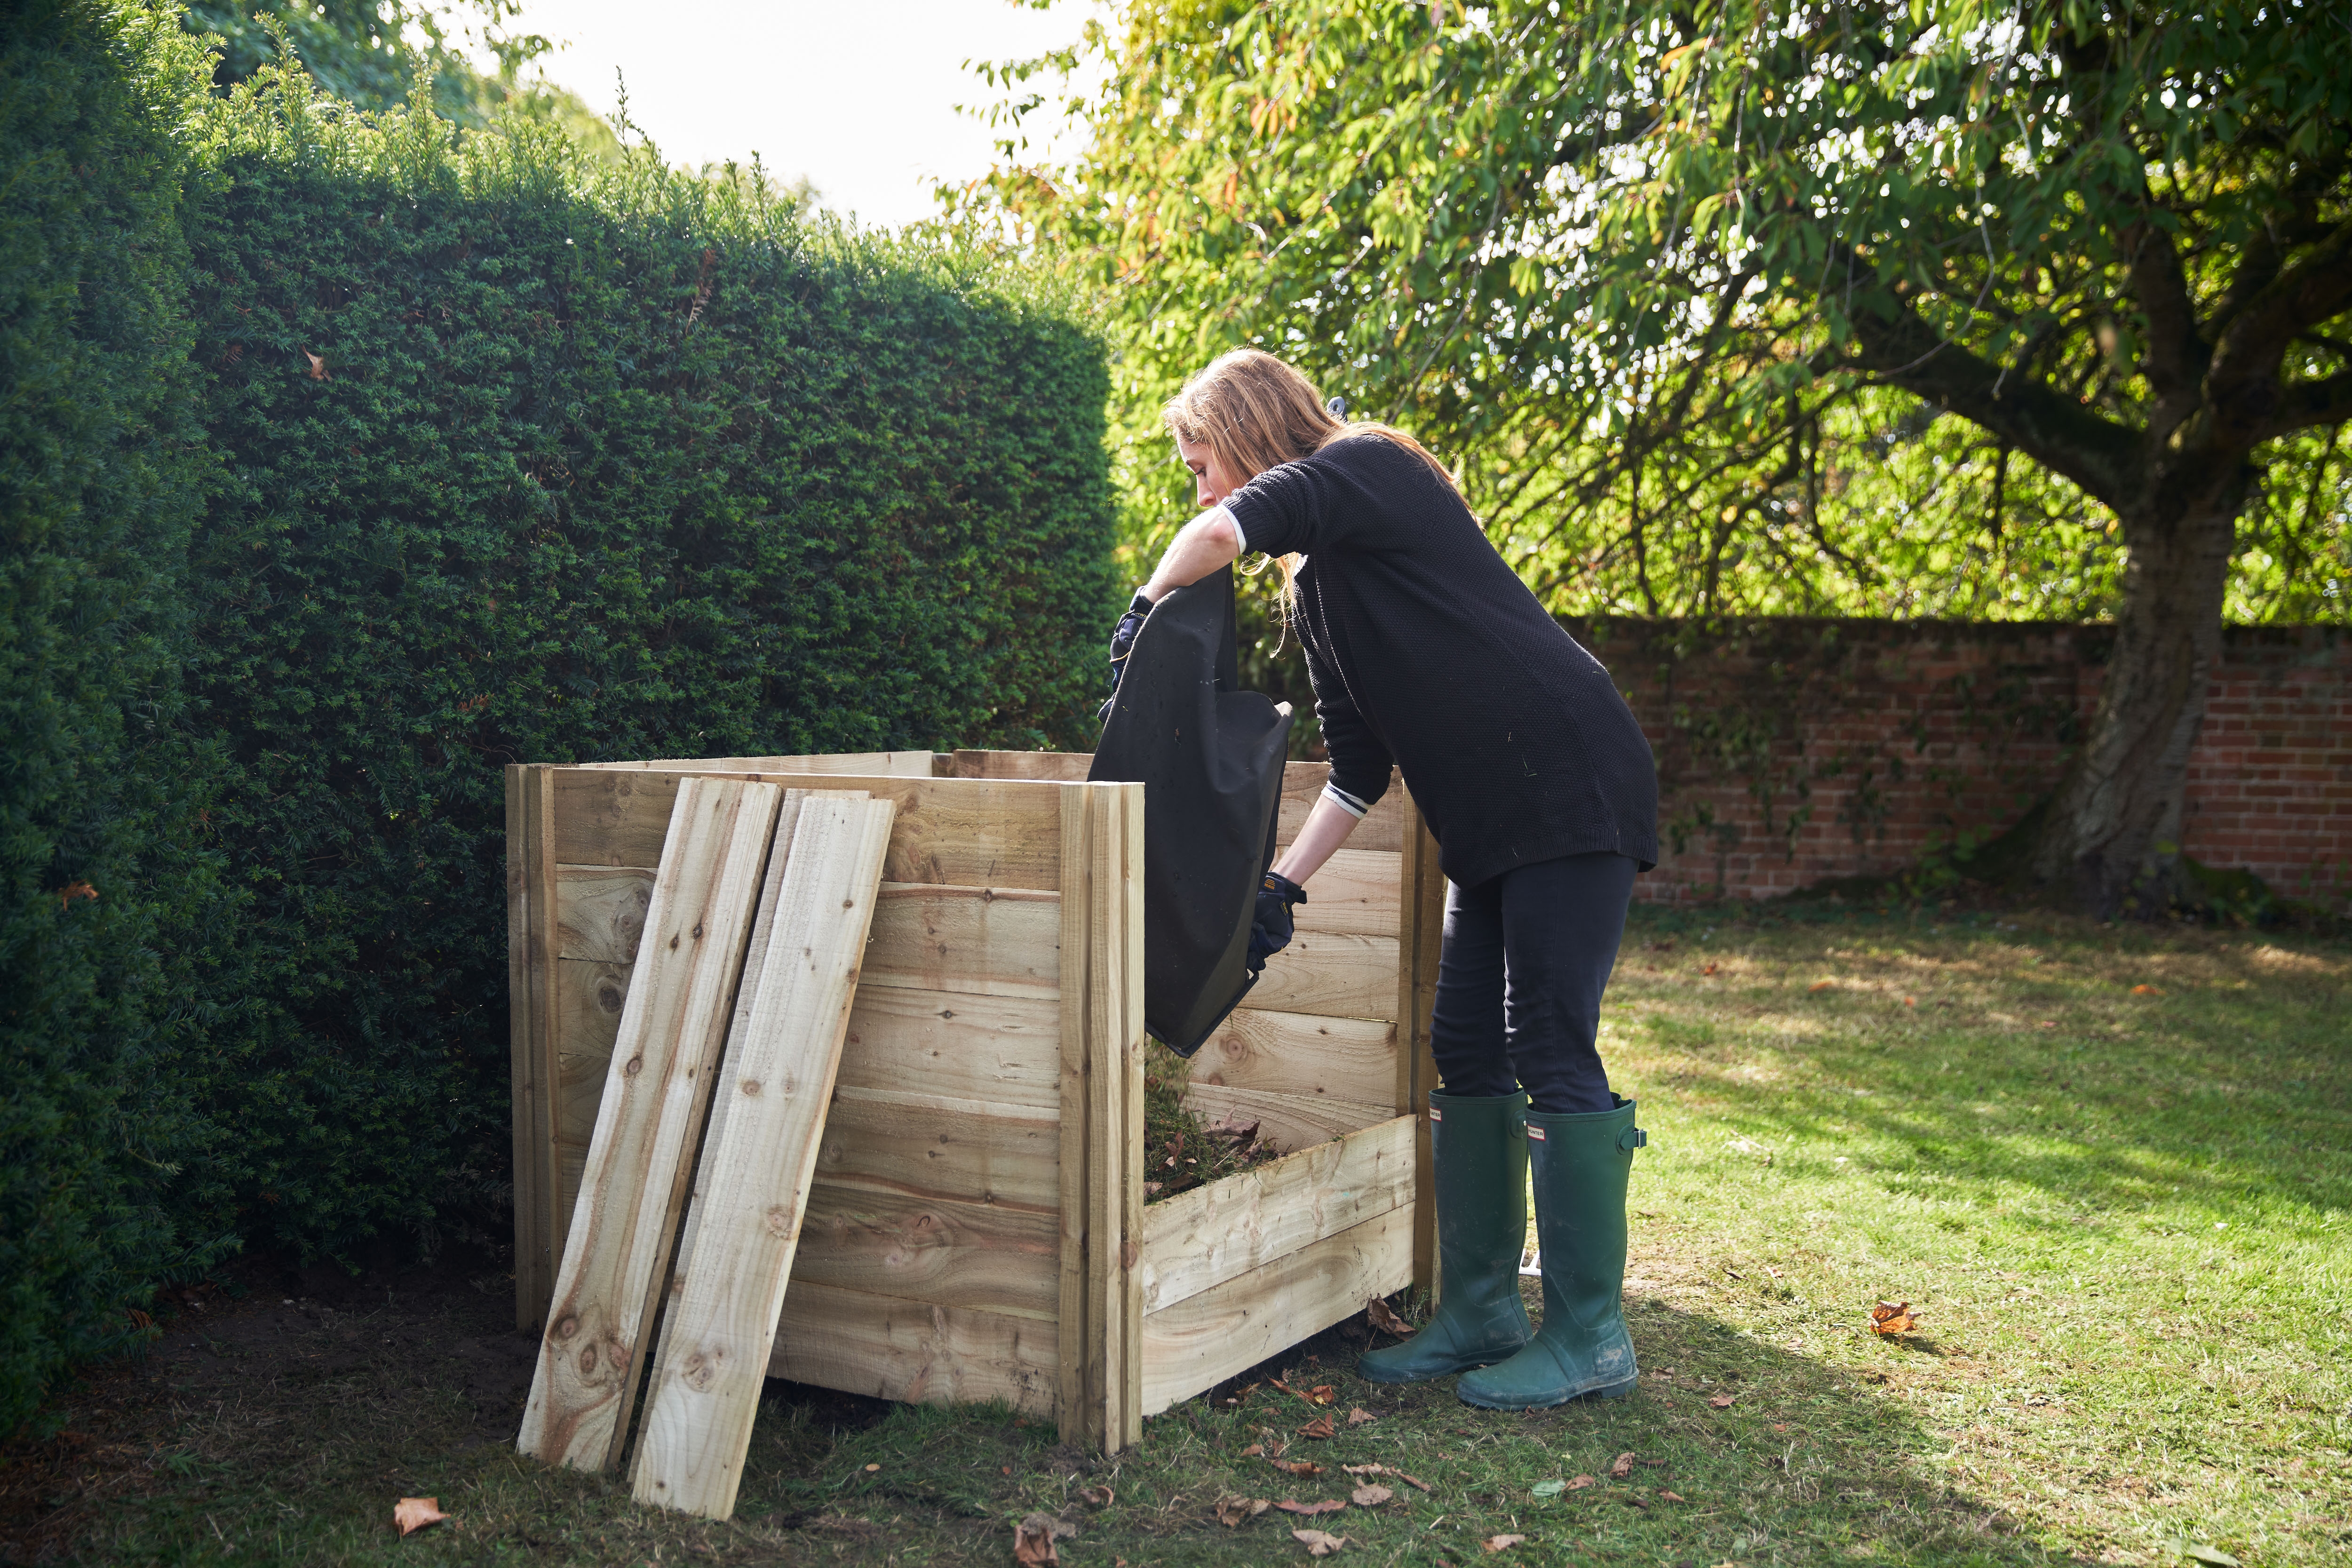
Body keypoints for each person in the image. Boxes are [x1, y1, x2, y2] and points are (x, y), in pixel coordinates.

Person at [1128, 348, 1659, 1410]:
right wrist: (1277, 888)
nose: (1199, 486)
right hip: (1489, 822)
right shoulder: (1320, 589)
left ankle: (1592, 1333)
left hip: (1567, 780)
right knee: (1462, 1042)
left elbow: (1225, 531)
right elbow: (1361, 771)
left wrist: (1144, 605)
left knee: (1548, 1038)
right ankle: (1479, 1310)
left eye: (1201, 461)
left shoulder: (1366, 466)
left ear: (1246, 432)